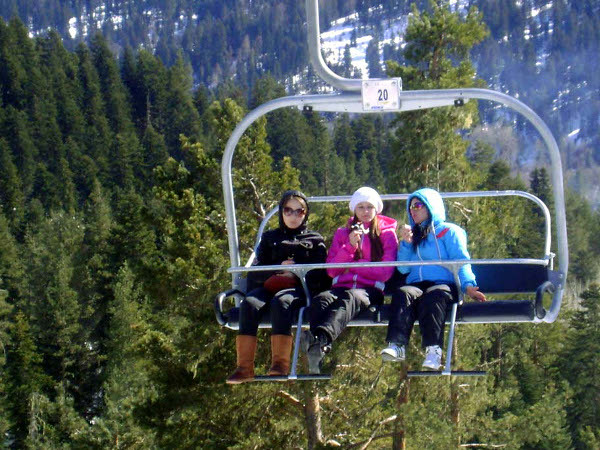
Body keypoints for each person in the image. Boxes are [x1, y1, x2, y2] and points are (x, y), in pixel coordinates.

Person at [226, 190, 329, 384]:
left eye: (299, 211)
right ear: (282, 212)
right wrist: (277, 268)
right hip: (269, 284)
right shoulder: (269, 238)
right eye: (288, 210)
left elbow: (322, 274)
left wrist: (299, 271)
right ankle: (244, 367)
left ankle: (280, 364)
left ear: (306, 214)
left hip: (299, 289)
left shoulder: (314, 240)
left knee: (281, 302)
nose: (293, 216)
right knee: (249, 303)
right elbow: (255, 270)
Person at [380, 188, 486, 370]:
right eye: (411, 207)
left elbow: (461, 260)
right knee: (403, 293)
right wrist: (406, 244)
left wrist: (468, 285)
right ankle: (397, 345)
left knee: (434, 296)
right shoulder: (414, 236)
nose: (413, 210)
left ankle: (433, 350)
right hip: (417, 284)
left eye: (418, 205)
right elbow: (403, 268)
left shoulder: (449, 231)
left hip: (444, 283)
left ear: (430, 207)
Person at [302, 187, 399, 374]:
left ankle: (320, 341)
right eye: (360, 207)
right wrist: (349, 247)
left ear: (376, 209)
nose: (365, 211)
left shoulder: (386, 234)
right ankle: (317, 349)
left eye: (369, 207)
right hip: (342, 286)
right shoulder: (342, 234)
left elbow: (385, 272)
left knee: (351, 298)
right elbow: (331, 271)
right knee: (321, 300)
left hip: (370, 289)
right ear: (354, 210)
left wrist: (354, 265)